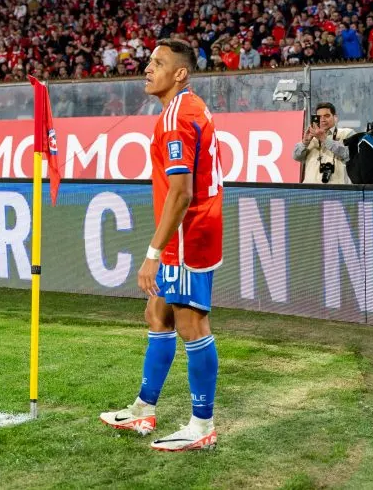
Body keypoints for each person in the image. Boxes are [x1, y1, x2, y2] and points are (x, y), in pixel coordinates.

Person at [99, 38, 222, 452]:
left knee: (191, 324)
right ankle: (143, 408)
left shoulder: (176, 117)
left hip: (189, 236)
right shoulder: (191, 107)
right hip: (195, 230)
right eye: (149, 61)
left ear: (180, 73)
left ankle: (202, 424)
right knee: (157, 311)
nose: (148, 68)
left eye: (158, 63)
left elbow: (181, 192)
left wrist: (153, 254)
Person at [292, 102, 353, 184]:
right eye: (319, 117)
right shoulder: (311, 137)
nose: (323, 119)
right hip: (310, 190)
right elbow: (296, 157)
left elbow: (349, 154)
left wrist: (324, 139)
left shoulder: (346, 133)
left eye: (327, 116)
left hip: (337, 190)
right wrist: (305, 142)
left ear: (335, 117)